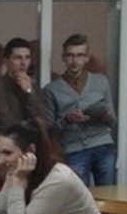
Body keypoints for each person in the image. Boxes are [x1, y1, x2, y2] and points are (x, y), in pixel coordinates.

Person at [43, 33, 117, 186]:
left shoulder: (101, 81)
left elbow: (113, 120)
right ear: (63, 57)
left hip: (102, 144)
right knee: (79, 194)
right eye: (70, 55)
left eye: (79, 55)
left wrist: (105, 116)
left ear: (87, 58)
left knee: (108, 193)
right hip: (74, 148)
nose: (75, 61)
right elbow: (49, 130)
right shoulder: (51, 89)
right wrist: (67, 119)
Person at [0, 38, 46, 130]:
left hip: (33, 138)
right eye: (18, 58)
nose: (23, 63)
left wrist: (29, 92)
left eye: (27, 57)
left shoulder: (34, 87)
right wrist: (32, 126)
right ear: (6, 61)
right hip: (7, 138)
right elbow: (5, 124)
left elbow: (43, 121)